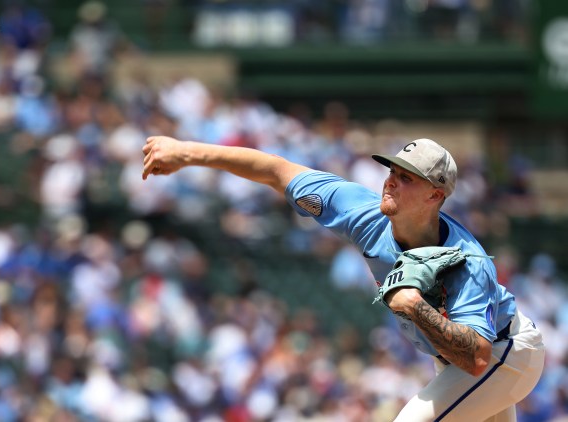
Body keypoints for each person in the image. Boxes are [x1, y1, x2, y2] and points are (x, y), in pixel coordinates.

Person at [141, 135, 545, 421]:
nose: (391, 179)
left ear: (435, 195)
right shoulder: (362, 213)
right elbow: (276, 170)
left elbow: (477, 356)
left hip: (504, 352)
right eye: (392, 169)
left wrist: (416, 307)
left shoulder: (467, 261)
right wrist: (186, 152)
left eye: (407, 177)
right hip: (456, 359)